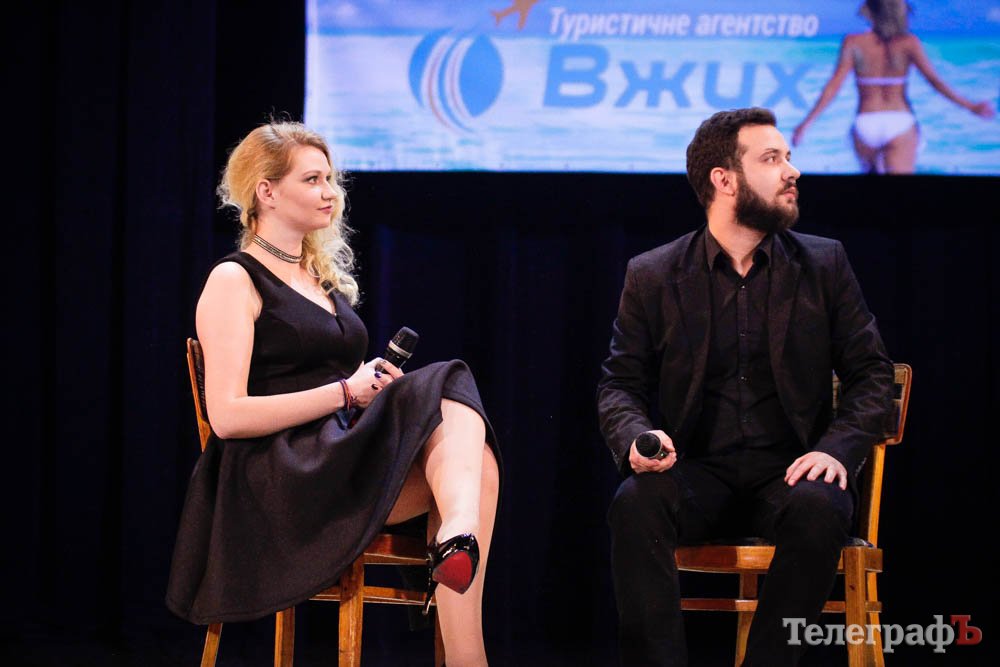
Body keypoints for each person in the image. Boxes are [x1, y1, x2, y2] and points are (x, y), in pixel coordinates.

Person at [166, 121, 500, 666]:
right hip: (280, 475)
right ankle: (462, 584)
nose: (330, 192)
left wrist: (365, 395)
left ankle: (459, 573)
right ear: (267, 191)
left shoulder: (316, 278)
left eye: (330, 179)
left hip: (337, 455)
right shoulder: (234, 280)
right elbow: (226, 416)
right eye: (313, 179)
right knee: (447, 379)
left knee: (474, 458)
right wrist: (345, 391)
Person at [597, 107, 895, 666]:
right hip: (696, 473)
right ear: (724, 179)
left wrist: (835, 451)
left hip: (790, 472)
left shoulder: (823, 264)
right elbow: (620, 383)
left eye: (788, 157)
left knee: (820, 506)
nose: (792, 171)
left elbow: (872, 375)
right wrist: (635, 437)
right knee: (634, 504)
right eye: (772, 158)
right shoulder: (654, 274)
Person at [792, 0, 995, 174]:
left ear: (870, 10)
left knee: (868, 198)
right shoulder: (908, 43)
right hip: (900, 122)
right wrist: (971, 107)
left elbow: (833, 87)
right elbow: (935, 82)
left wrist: (806, 124)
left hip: (865, 123)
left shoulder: (854, 42)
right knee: (900, 197)